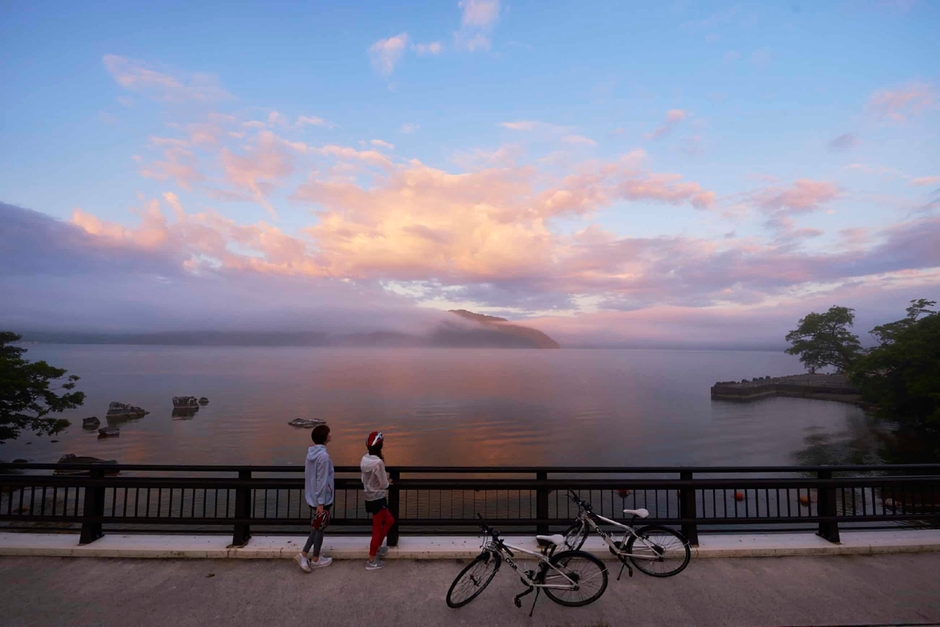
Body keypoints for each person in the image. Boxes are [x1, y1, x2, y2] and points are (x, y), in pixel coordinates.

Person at [295, 424, 334, 572]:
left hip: (311, 496)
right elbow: (322, 480)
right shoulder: (323, 456)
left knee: (318, 527)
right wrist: (321, 502)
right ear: (324, 437)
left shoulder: (311, 453)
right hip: (321, 498)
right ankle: (311, 556)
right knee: (319, 527)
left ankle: (310, 555)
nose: (331, 434)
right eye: (329, 433)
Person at [360, 431, 395, 571]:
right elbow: (382, 483)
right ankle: (372, 559)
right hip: (378, 497)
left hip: (369, 496)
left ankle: (378, 547)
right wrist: (388, 483)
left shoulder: (364, 459)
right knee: (376, 528)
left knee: (390, 521)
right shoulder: (378, 463)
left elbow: (364, 479)